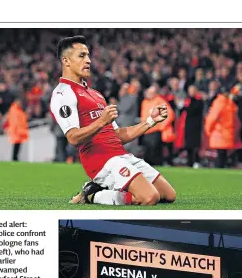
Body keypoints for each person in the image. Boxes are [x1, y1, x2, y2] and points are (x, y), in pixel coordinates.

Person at [50, 36, 176, 206]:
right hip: (102, 161)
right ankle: (93, 195)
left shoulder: (96, 94)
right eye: (81, 56)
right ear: (66, 61)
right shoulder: (63, 94)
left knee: (168, 195)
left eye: (88, 55)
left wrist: (150, 121)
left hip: (121, 155)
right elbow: (73, 138)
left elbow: (118, 135)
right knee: (149, 198)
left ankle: (106, 189)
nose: (88, 60)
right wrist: (102, 121)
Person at [205, 87, 238, 168]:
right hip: (225, 132)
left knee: (221, 154)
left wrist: (208, 130)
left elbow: (212, 118)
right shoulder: (227, 102)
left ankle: (220, 168)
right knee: (222, 153)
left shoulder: (220, 102)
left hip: (221, 131)